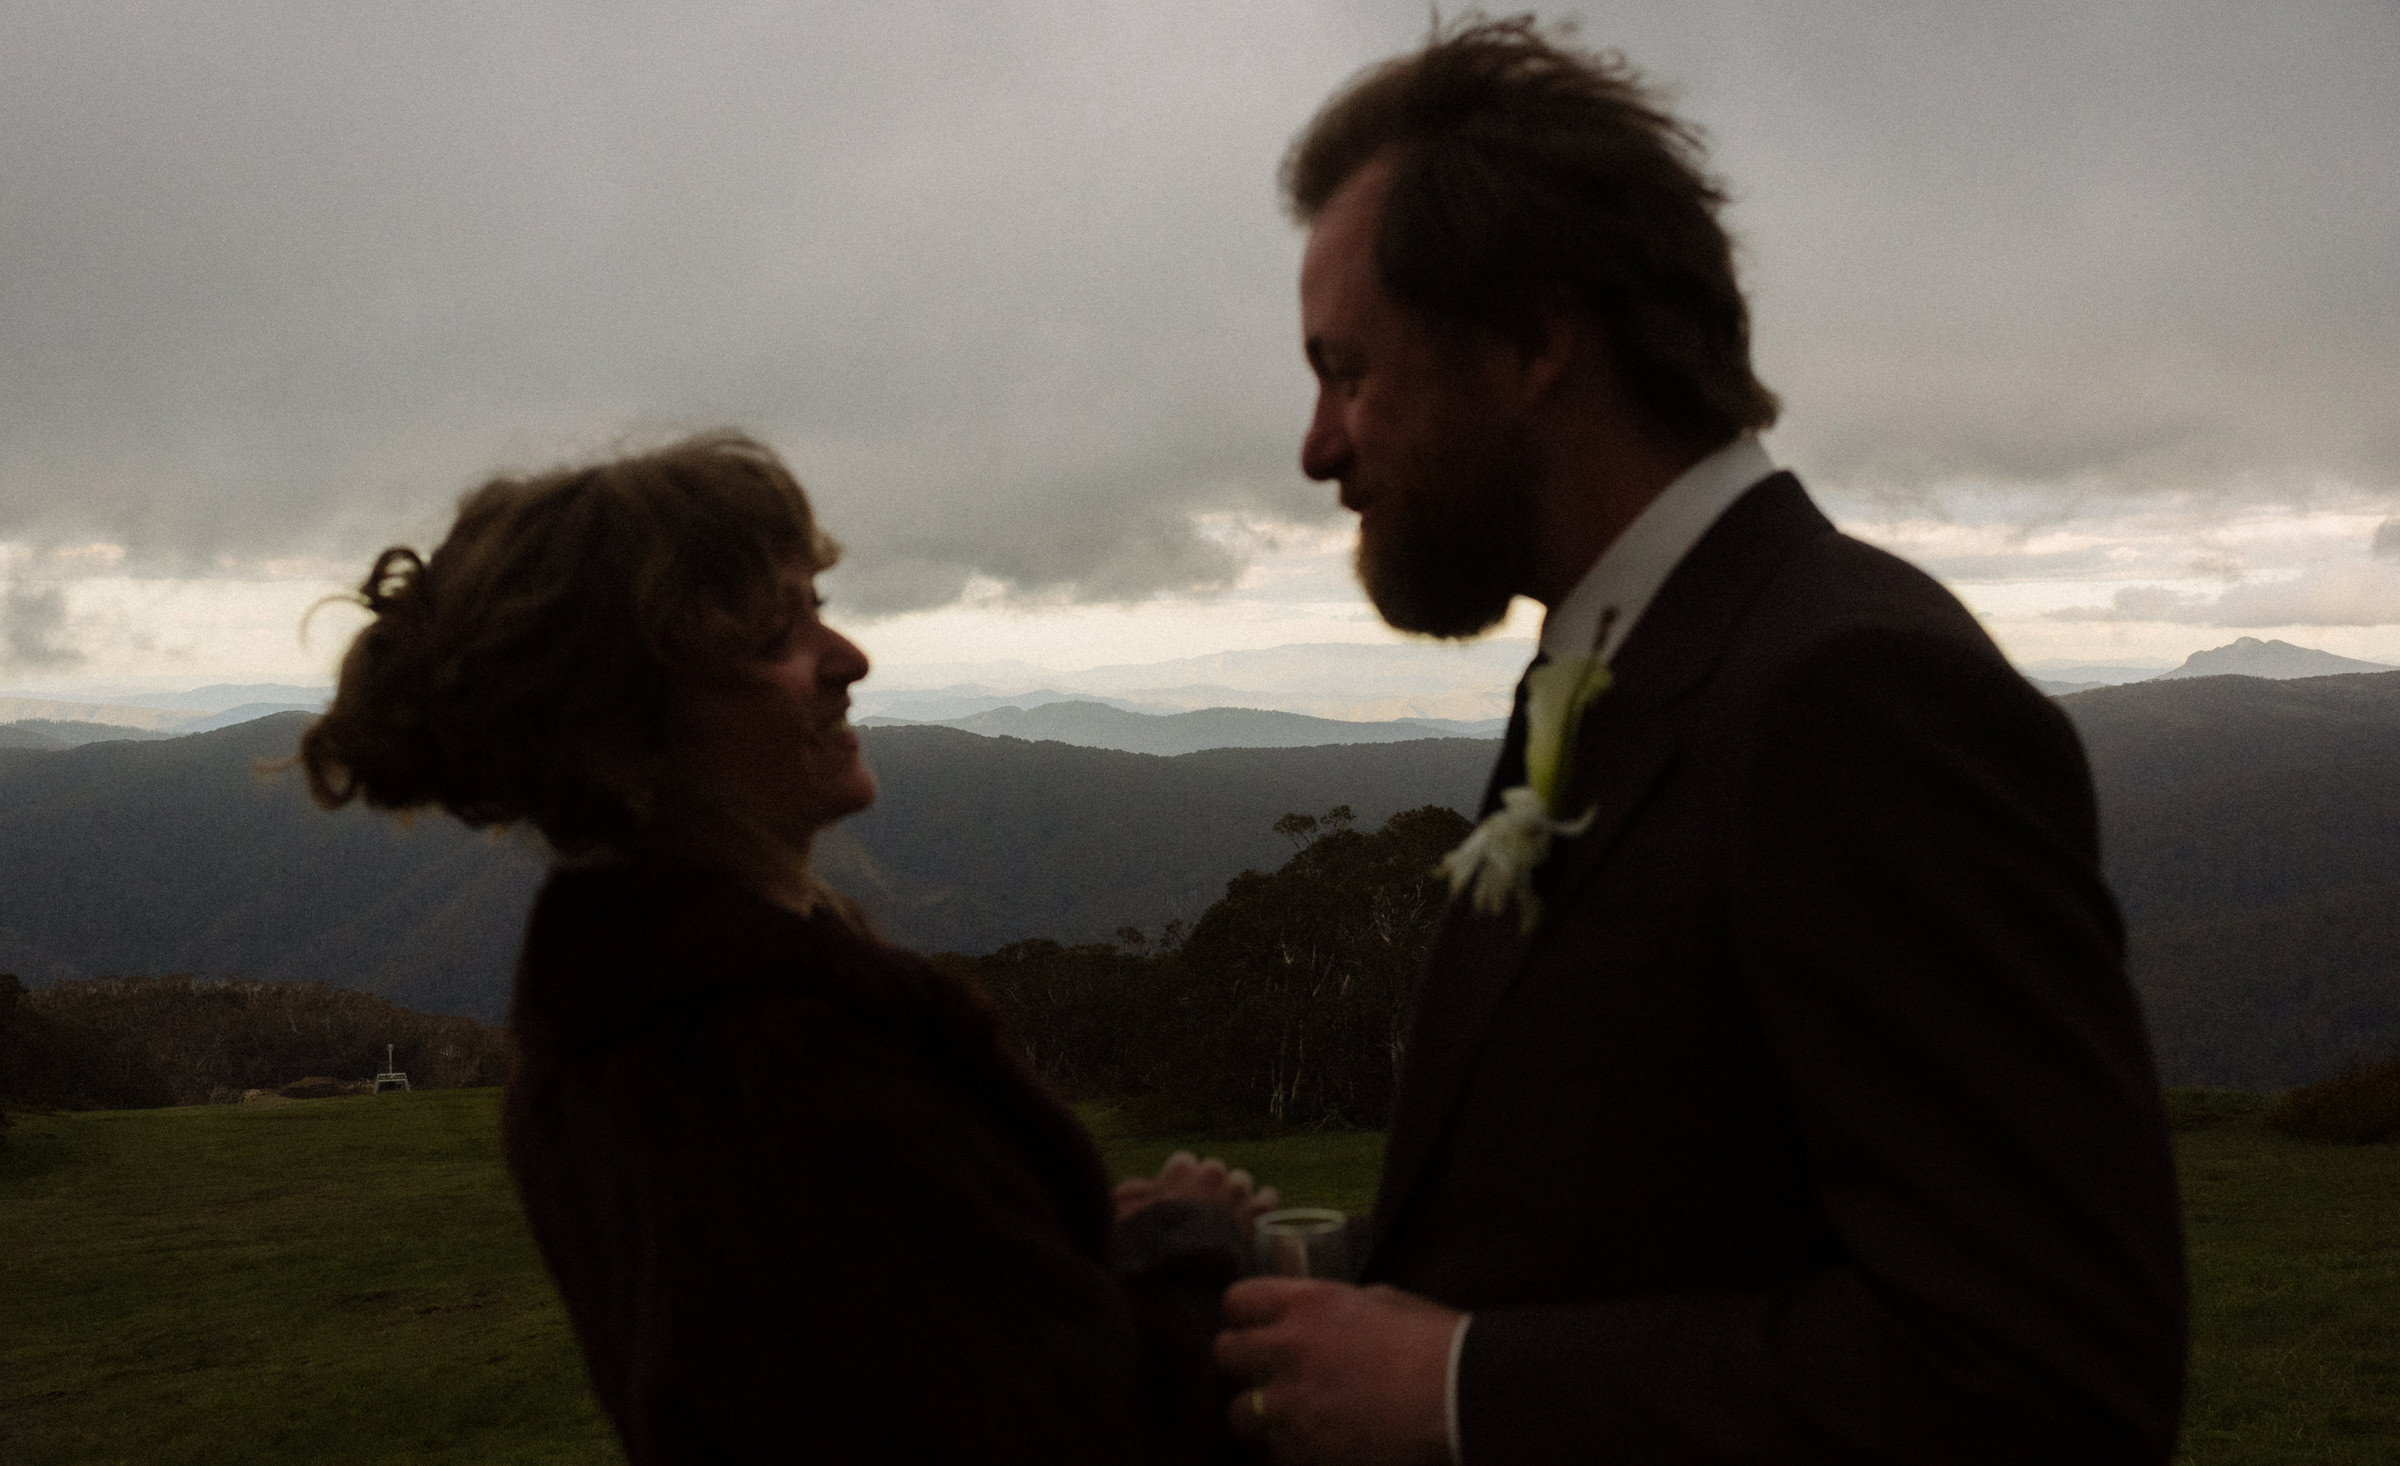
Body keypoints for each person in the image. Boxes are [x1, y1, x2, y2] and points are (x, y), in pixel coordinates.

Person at [1214, 19, 2187, 1464]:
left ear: (1535, 341)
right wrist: (1308, 1281)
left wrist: (1469, 1389)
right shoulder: (1622, 658)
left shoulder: (1851, 693)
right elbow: (1648, 1212)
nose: (1317, 444)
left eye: (1347, 369)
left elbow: (2047, 1377)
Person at [299, 432, 1271, 1464]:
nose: (851, 659)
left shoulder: (615, 1038)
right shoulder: (772, 1074)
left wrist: (1057, 1257)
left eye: (816, 606)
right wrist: (1186, 1251)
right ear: (620, 735)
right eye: (776, 636)